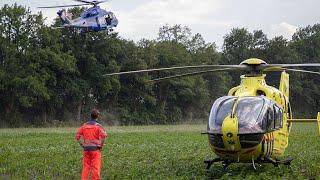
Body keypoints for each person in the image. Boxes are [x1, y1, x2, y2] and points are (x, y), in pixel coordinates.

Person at [75, 109, 107, 180]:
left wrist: (82, 145)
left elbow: (77, 137)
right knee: (95, 167)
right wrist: (101, 146)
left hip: (86, 149)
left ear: (90, 116)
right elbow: (104, 136)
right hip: (95, 150)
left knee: (86, 167)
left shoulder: (84, 125)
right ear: (97, 116)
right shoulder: (99, 126)